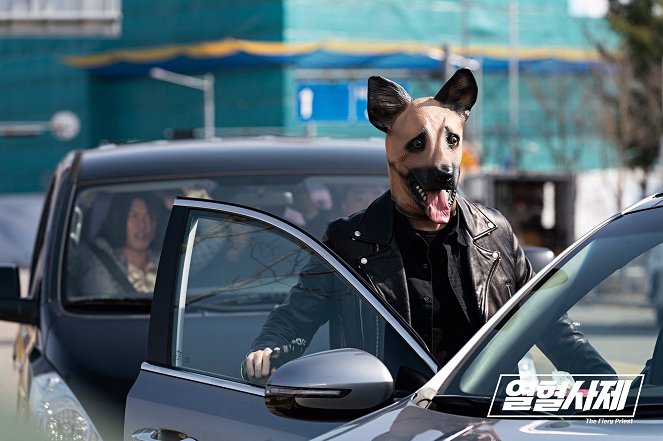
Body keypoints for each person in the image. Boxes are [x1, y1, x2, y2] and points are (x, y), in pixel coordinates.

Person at [245, 69, 614, 381]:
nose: (441, 163)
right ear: (393, 152)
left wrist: (614, 389)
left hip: (482, 421)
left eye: (451, 142)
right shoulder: (347, 243)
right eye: (418, 145)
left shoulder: (495, 234)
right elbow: (295, 317)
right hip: (386, 420)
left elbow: (549, 322)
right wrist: (268, 350)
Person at [68, 193, 164, 298]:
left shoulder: (169, 262)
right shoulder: (92, 257)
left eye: (149, 216)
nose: (142, 224)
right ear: (119, 219)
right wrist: (82, 203)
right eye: (133, 216)